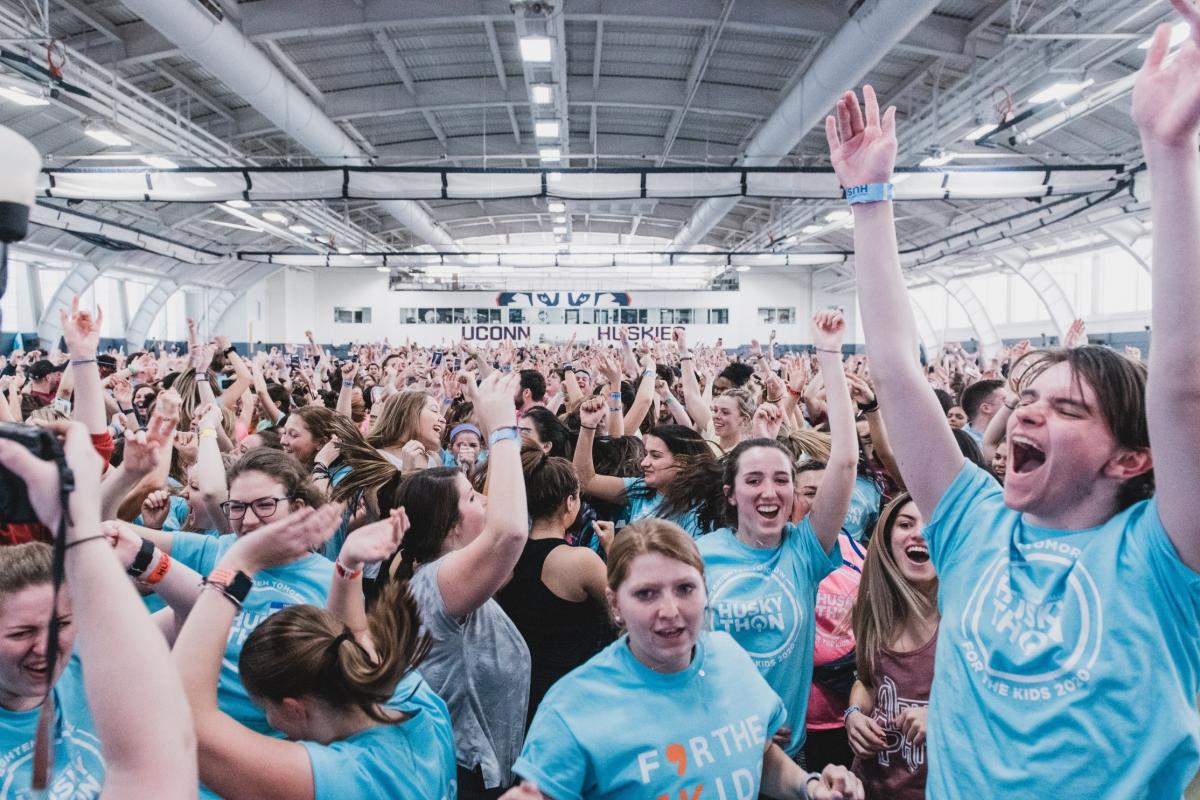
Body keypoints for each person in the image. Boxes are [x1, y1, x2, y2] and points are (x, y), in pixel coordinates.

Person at [823, 10, 1200, 790]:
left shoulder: (1166, 557)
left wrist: (1168, 151)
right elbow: (894, 370)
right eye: (1027, 397)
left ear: (1131, 457)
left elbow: (1185, 382)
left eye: (1066, 410)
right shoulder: (973, 527)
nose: (1025, 412)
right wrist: (869, 197)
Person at [503, 520, 864, 800]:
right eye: (646, 594)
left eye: (685, 588)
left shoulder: (728, 657)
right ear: (615, 604)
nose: (670, 611)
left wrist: (810, 786)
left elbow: (757, 752)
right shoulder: (573, 707)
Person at [170, 504, 457, 799]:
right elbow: (354, 634)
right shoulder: (413, 702)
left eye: (266, 709)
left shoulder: (347, 777)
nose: (269, 721)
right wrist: (347, 564)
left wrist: (239, 560)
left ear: (294, 708)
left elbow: (190, 725)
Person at [0, 419, 196, 798]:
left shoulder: (82, 662)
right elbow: (157, 767)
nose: (46, 645)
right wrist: (78, 525)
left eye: (61, 623)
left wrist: (145, 559)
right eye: (21, 632)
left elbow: (199, 615)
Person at [698, 308, 858, 762]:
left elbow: (844, 461)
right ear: (730, 495)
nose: (770, 492)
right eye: (753, 482)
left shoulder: (804, 550)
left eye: (781, 480)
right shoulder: (699, 556)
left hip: (791, 753)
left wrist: (830, 355)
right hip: (716, 749)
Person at [375, 372, 529, 799]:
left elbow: (504, 544)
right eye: (473, 499)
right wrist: (501, 428)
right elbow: (509, 533)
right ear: (451, 527)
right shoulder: (438, 584)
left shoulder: (437, 573)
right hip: (463, 776)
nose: (486, 501)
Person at [496, 445, 612, 726]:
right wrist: (614, 552)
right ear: (570, 502)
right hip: (568, 697)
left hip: (515, 695)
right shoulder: (581, 562)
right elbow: (625, 611)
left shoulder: (502, 558)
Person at [845, 494, 937, 800]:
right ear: (886, 539)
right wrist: (855, 715)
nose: (919, 533)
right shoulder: (873, 607)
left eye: (930, 523)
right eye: (905, 524)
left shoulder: (963, 617)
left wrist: (939, 718)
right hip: (870, 786)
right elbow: (866, 680)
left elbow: (993, 710)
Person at [573, 410, 714, 537]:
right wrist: (587, 425)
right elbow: (587, 481)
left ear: (682, 463)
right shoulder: (641, 488)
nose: (644, 463)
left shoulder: (697, 513)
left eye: (656, 456)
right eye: (646, 454)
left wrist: (612, 549)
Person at [368, 390, 448, 471]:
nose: (443, 420)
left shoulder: (435, 460)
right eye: (434, 410)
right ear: (409, 415)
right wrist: (407, 471)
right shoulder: (377, 458)